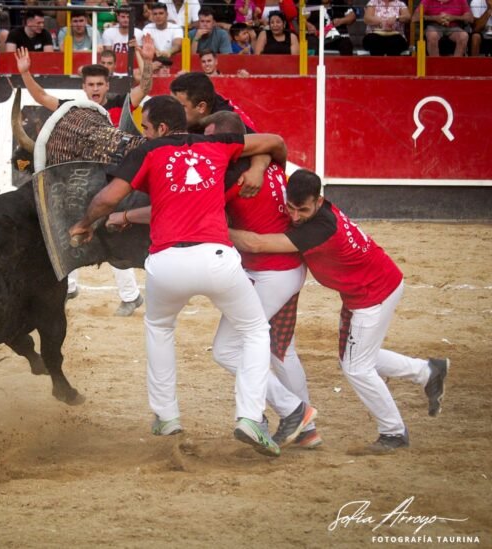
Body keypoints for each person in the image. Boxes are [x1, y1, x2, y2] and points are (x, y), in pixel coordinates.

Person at [68, 96, 290, 456]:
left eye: (146, 127)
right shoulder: (218, 144)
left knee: (159, 327)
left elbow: (108, 198)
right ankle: (250, 416)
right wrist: (260, 165)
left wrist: (84, 222)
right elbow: (275, 141)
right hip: (217, 258)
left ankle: (167, 416)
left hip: (166, 262)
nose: (143, 134)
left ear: (161, 128)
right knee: (253, 331)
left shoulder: (148, 151)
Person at [229, 169, 449, 454]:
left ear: (319, 202)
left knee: (357, 367)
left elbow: (255, 244)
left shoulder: (319, 228)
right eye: (291, 208)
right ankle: (426, 371)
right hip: (367, 289)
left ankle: (393, 431)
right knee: (358, 358)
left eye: (303, 210)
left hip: (373, 294)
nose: (295, 216)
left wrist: (214, 228)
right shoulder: (316, 216)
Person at [205, 111, 321, 448]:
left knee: (227, 350)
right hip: (285, 270)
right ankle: (307, 430)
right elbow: (272, 145)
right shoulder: (268, 163)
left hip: (271, 274)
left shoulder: (232, 180)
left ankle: (294, 410)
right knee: (281, 349)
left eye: (211, 141)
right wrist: (260, 161)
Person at [16, 36, 155, 315]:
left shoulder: (121, 104)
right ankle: (71, 287)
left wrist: (148, 61)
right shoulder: (74, 109)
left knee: (112, 234)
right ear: (84, 87)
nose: (95, 89)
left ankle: (129, 295)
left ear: (107, 85)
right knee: (69, 225)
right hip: (85, 181)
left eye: (100, 84)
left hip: (117, 183)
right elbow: (41, 97)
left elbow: (146, 86)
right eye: (91, 84)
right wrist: (25, 73)